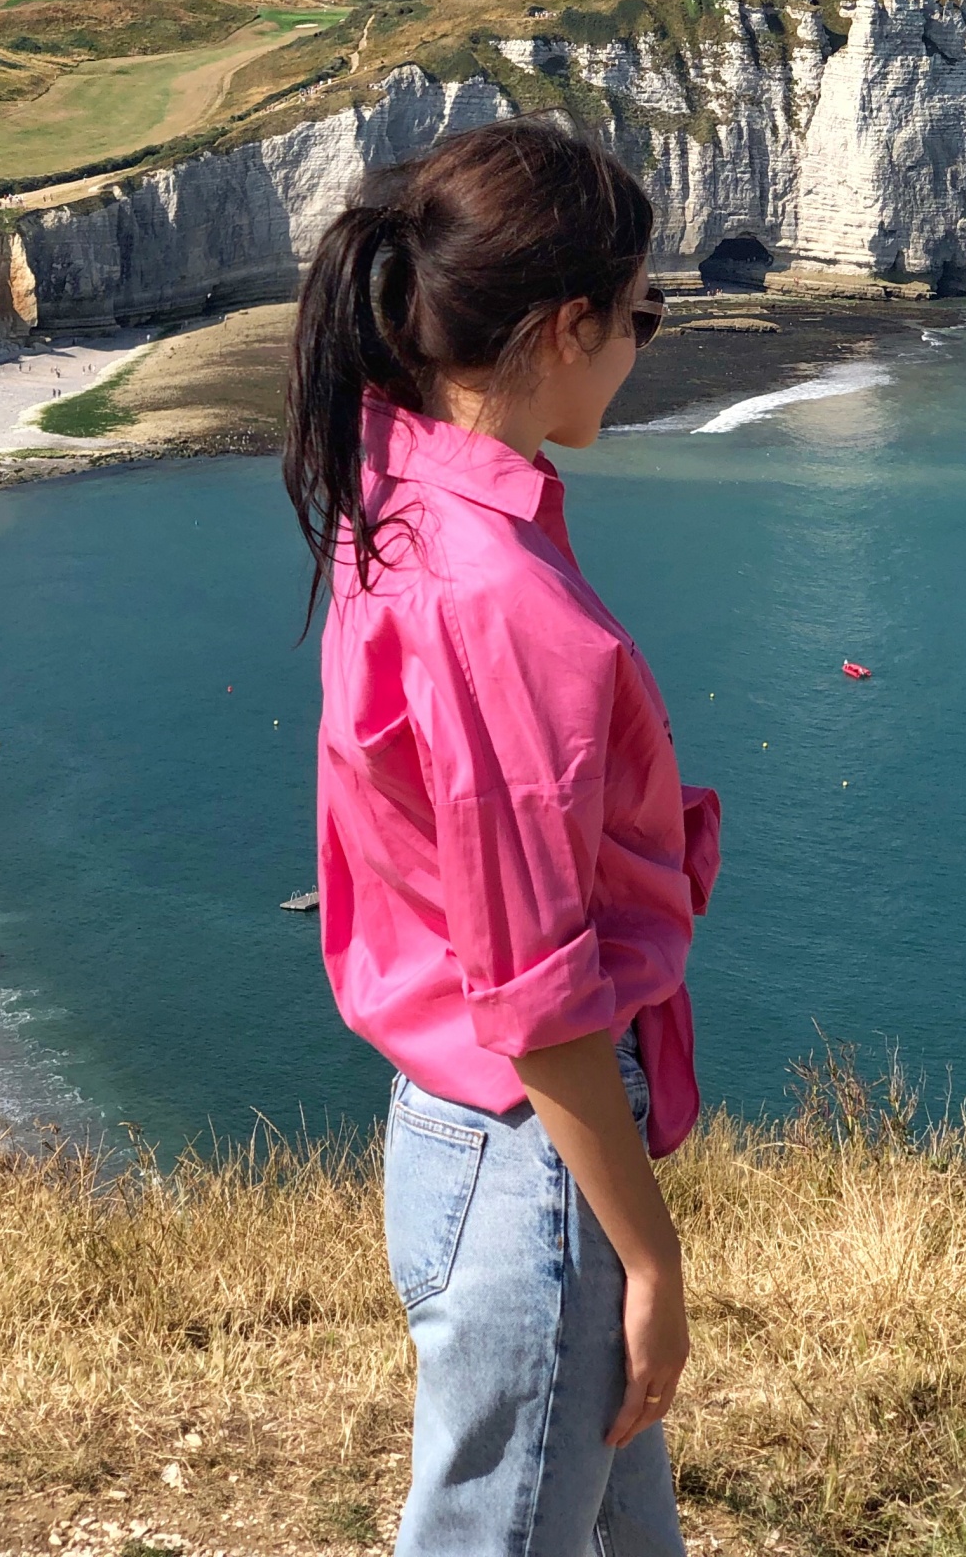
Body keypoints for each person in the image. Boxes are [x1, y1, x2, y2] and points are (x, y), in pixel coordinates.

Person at [283, 119, 721, 1557]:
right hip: (535, 1174)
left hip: (465, 1147)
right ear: (567, 321)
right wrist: (649, 1255)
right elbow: (536, 996)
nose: (645, 347)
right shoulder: (491, 591)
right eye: (645, 313)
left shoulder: (397, 493)